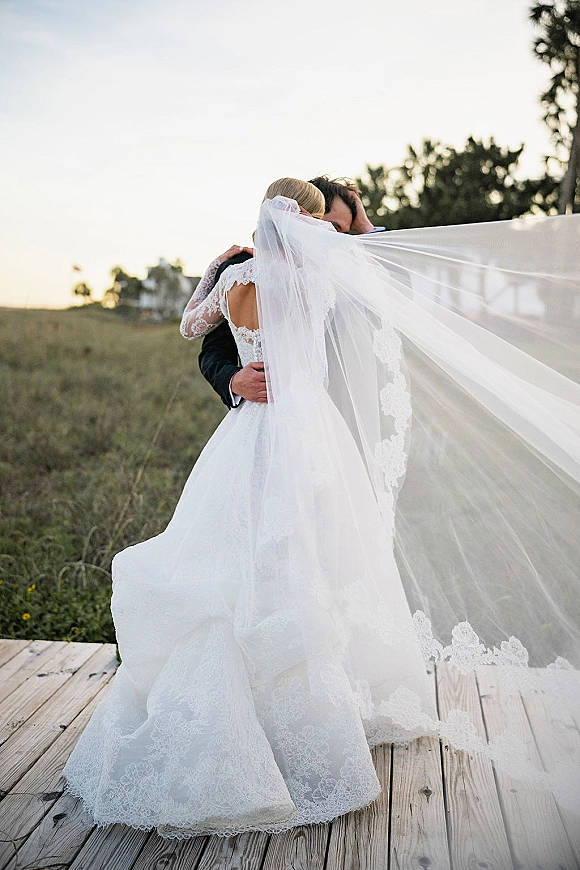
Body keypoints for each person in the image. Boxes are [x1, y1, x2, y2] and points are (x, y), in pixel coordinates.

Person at [61, 177, 580, 838]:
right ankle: (278, 720)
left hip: (274, 441)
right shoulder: (316, 278)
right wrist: (233, 373)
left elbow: (198, 320)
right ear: (305, 221)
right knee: (271, 563)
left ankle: (317, 705)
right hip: (299, 433)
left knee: (312, 558)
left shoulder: (240, 276)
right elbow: (211, 348)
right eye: (321, 225)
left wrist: (221, 274)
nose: (330, 237)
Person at [199, 176, 384, 410]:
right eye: (334, 226)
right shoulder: (241, 271)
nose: (336, 238)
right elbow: (213, 350)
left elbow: (391, 289)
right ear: (305, 215)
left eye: (347, 233)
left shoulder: (340, 274)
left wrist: (366, 228)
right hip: (263, 411)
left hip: (333, 413)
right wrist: (233, 380)